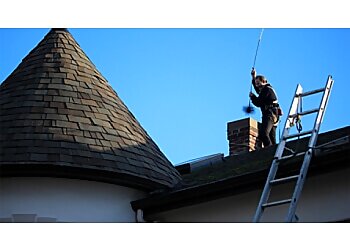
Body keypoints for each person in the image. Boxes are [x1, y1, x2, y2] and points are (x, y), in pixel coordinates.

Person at [249, 68, 281, 147]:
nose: (257, 86)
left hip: (270, 114)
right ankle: (274, 151)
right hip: (273, 114)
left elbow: (258, 102)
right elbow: (258, 90)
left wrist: (253, 97)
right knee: (271, 137)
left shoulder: (266, 90)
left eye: (259, 83)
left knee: (264, 134)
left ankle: (269, 150)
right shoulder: (267, 89)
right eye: (256, 84)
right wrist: (253, 77)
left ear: (264, 82)